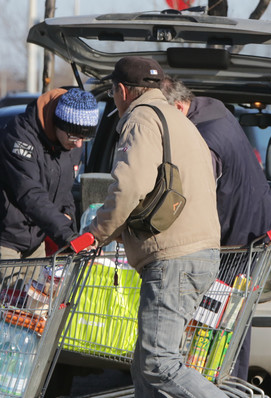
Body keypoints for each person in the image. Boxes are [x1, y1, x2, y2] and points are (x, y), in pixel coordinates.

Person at [86, 56, 226, 398]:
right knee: (144, 364)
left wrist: (96, 233)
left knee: (158, 363)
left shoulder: (142, 119)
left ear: (121, 91)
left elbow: (130, 186)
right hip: (197, 251)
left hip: (174, 258)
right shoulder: (177, 120)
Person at [160, 77, 271, 382]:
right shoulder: (214, 109)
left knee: (222, 323)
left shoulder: (202, 138)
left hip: (238, 241)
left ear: (177, 106)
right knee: (231, 320)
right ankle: (223, 383)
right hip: (256, 229)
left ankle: (222, 385)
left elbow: (193, 198)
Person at [0, 88, 99, 267]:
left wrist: (67, 216)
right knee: (8, 294)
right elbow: (30, 193)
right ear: (58, 123)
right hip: (3, 234)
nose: (79, 144)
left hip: (37, 235)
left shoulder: (70, 144)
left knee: (37, 295)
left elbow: (64, 187)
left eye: (85, 138)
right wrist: (68, 236)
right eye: (74, 136)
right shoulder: (19, 137)